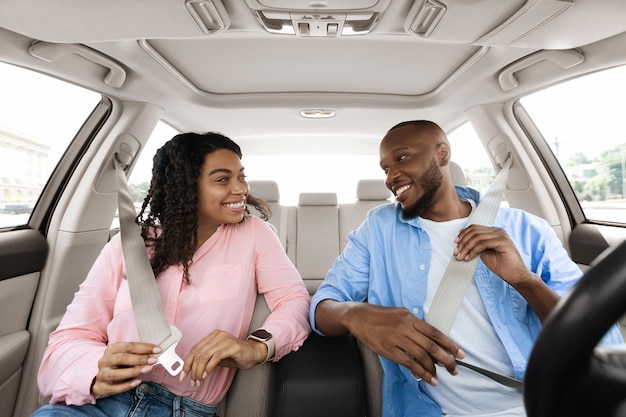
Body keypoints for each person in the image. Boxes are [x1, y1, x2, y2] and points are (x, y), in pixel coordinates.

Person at [310, 120, 623, 417]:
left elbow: (598, 339)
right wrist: (356, 315)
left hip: (544, 403)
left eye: (402, 158)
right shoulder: (378, 230)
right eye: (385, 168)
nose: (391, 176)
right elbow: (324, 304)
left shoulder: (528, 230)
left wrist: (525, 281)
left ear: (442, 154)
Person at [33, 132, 311, 417]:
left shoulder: (253, 235)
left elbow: (295, 300)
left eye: (241, 176)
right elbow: (69, 339)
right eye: (223, 179)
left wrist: (256, 346)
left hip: (183, 409)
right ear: (185, 188)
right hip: (99, 404)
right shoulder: (130, 244)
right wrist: (96, 369)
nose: (241, 189)